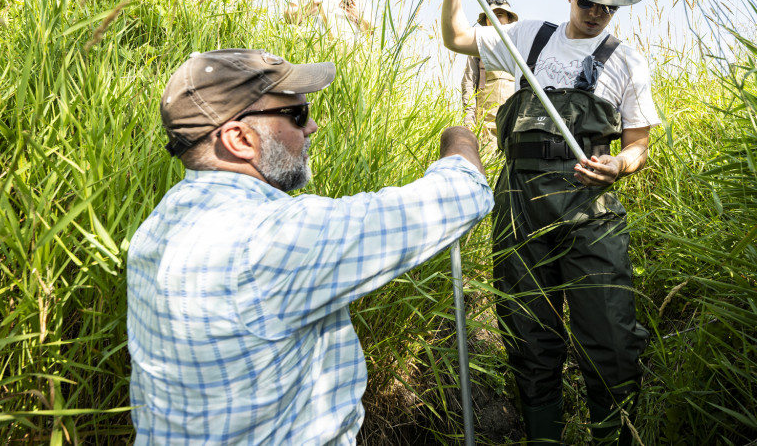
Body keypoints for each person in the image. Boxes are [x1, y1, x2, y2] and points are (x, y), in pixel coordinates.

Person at [126, 48, 492, 444]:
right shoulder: (270, 238)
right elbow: (461, 194)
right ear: (238, 138)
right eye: (296, 115)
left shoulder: (155, 228)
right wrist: (459, 138)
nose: (312, 126)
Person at [438, 0, 660, 445]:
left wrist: (619, 165)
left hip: (592, 213)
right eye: (588, 2)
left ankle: (612, 436)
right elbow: (455, 37)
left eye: (608, 5)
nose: (597, 13)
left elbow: (639, 145)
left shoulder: (627, 61)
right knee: (529, 338)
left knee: (611, 338)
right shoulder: (527, 37)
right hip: (521, 206)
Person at [461, 0, 518, 147]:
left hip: (515, 124)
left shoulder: (521, 46)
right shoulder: (477, 48)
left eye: (499, 15)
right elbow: (468, 84)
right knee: (487, 169)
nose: (494, 19)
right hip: (486, 125)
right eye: (489, 16)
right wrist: (469, 121)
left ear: (509, 19)